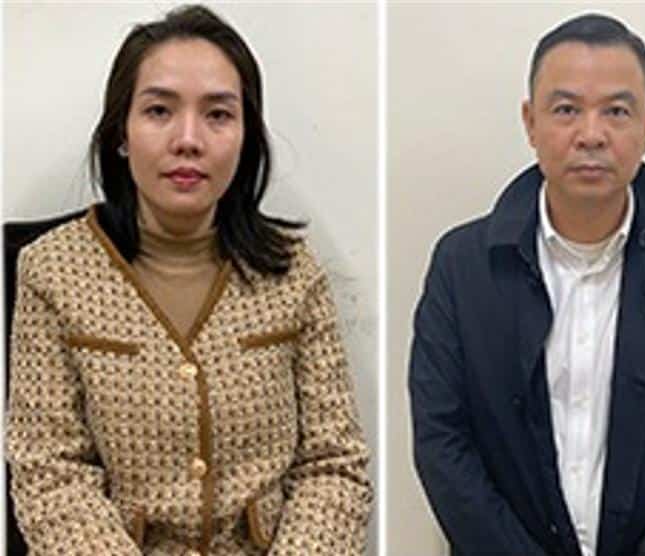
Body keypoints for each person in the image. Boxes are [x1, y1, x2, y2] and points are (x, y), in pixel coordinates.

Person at [5, 5, 372, 555]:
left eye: (218, 115)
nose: (188, 139)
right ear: (122, 132)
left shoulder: (294, 271)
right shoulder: (52, 271)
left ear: (246, 136)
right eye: (159, 111)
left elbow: (334, 464)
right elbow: (49, 474)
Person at [409, 13, 645, 556]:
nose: (591, 134)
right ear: (530, 122)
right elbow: (443, 441)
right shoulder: (462, 267)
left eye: (617, 111)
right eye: (566, 110)